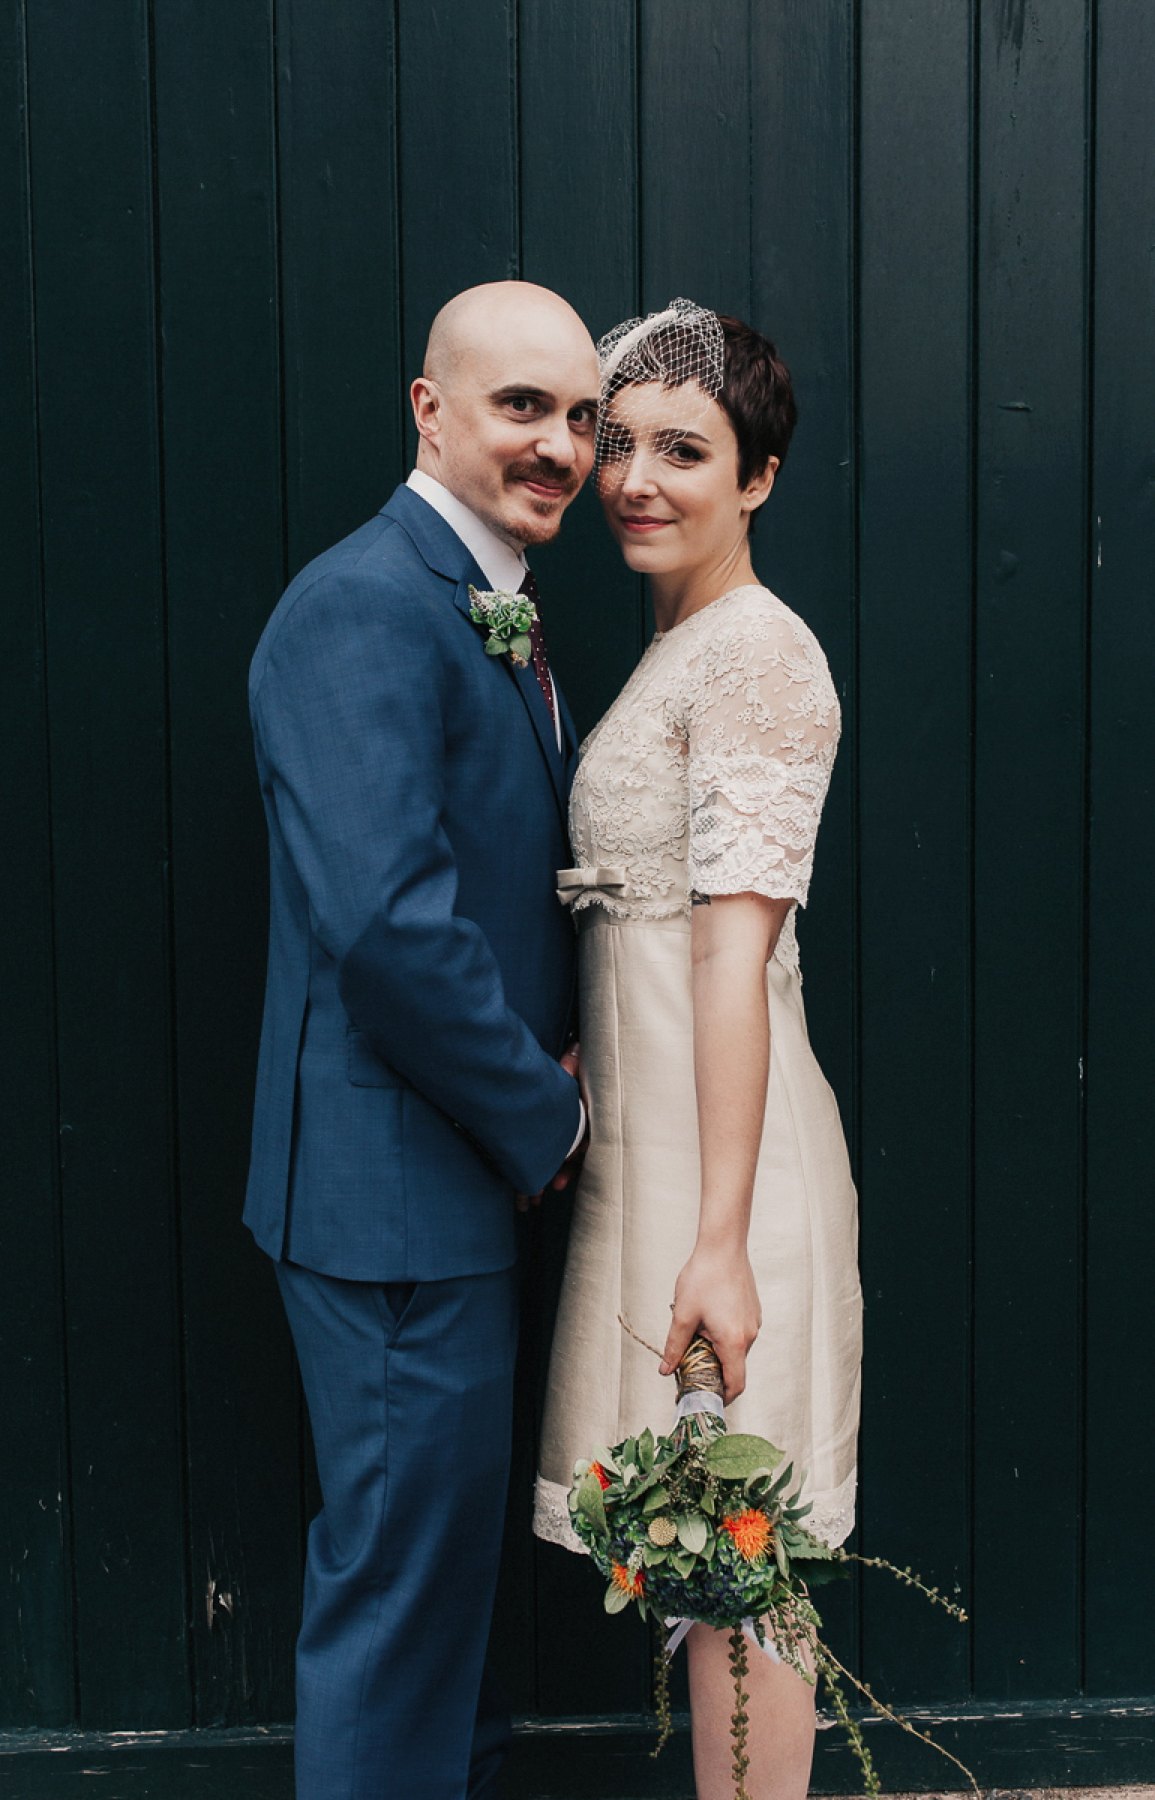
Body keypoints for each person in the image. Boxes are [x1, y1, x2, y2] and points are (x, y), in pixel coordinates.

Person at [244, 280, 597, 1800]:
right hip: (394, 1200)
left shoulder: (482, 600)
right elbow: (390, 926)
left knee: (439, 1589)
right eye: (524, 407)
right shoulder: (360, 605)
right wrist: (550, 1117)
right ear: (427, 407)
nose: (562, 447)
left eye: (581, 415)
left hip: (441, 1194)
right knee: (398, 1602)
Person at [533, 299, 863, 1800]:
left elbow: (736, 949)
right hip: (656, 1163)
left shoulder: (751, 655)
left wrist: (721, 1241)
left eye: (686, 448)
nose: (635, 478)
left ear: (760, 480)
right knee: (688, 1575)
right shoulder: (680, 648)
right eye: (619, 442)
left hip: (728, 1191)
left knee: (740, 1580)